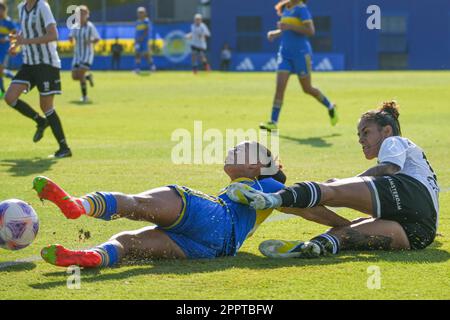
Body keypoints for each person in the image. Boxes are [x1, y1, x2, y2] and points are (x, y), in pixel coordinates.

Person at [228, 101, 440, 258]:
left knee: (331, 188)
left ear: (386, 130)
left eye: (366, 132)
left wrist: (348, 183)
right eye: (359, 135)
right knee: (349, 234)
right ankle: (311, 247)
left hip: (411, 195)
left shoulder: (393, 141)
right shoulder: (416, 162)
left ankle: (271, 199)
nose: (361, 140)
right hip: (421, 232)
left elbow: (389, 168)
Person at [36, 142, 287, 268]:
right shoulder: (263, 191)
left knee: (136, 204)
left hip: (216, 218)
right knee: (127, 243)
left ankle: (77, 206)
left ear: (255, 167)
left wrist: (328, 220)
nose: (231, 152)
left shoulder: (267, 187)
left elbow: (307, 201)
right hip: (214, 250)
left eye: (238, 151)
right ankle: (91, 256)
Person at [5, 0, 72, 158]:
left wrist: (25, 41)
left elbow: (53, 35)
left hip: (46, 64)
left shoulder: (42, 6)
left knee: (47, 106)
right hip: (29, 63)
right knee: (9, 97)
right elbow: (26, 32)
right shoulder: (22, 7)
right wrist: (16, 44)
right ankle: (40, 121)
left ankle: (64, 148)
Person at [260, 0, 338, 131]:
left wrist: (289, 27)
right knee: (280, 87)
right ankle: (273, 122)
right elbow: (286, 29)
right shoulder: (287, 7)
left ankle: (330, 106)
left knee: (307, 88)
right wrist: (276, 32)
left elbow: (310, 31)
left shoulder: (302, 9)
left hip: (301, 54)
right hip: (285, 54)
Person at [69, 5, 100, 103]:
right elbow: (71, 36)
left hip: (87, 54)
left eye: (83, 13)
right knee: (75, 77)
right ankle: (88, 77)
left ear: (87, 14)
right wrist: (70, 39)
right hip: (77, 55)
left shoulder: (90, 26)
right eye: (79, 13)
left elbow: (97, 38)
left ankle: (84, 96)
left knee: (81, 73)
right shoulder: (75, 26)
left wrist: (90, 41)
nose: (81, 15)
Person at [0, 2, 16, 99]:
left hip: (4, 50)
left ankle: (3, 90)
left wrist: (5, 39)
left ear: (4, 10)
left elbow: (15, 35)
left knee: (0, 70)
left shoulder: (8, 22)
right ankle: (12, 77)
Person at [134, 7, 155, 73]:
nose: (140, 14)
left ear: (145, 13)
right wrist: (136, 40)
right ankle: (137, 69)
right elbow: (137, 32)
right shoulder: (137, 22)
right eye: (139, 12)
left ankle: (152, 67)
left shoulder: (146, 21)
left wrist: (142, 38)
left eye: (142, 12)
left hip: (144, 41)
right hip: (138, 42)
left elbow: (146, 31)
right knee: (137, 54)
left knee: (146, 55)